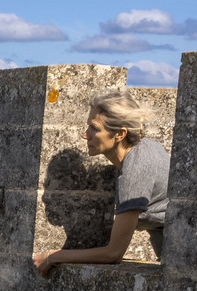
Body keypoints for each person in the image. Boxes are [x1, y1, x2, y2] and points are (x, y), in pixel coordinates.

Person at [34, 92, 168, 274]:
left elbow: (113, 254)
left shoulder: (135, 169)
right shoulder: (146, 147)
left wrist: (53, 256)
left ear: (120, 134)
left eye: (94, 128)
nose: (85, 134)